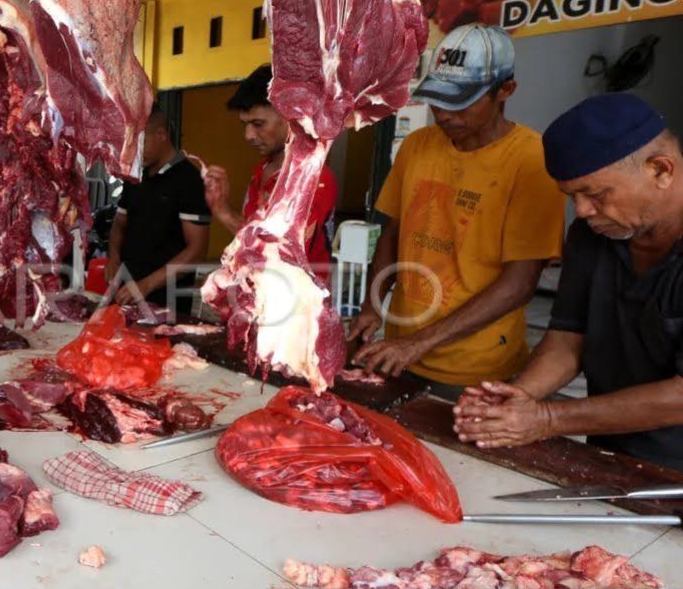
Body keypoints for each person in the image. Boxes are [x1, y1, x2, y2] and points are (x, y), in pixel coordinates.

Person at [455, 94, 683, 471]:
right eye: (571, 196)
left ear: (660, 170)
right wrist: (516, 400)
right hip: (607, 454)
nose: (581, 211)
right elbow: (567, 339)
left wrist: (546, 419)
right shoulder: (592, 236)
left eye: (595, 193)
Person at [346, 23, 564, 396]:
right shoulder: (417, 146)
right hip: (399, 351)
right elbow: (392, 234)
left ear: (505, 91)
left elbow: (520, 284)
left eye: (460, 101)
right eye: (437, 99)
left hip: (474, 367)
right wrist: (372, 305)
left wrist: (420, 342)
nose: (444, 113)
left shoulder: (532, 160)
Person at [203, 64, 339, 281]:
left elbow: (280, 252)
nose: (248, 135)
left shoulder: (314, 178)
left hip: (298, 305)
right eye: (245, 125)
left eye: (258, 124)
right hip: (259, 297)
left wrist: (224, 213)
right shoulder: (263, 169)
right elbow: (251, 234)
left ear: (290, 117)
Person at [105, 104, 211, 315]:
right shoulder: (136, 176)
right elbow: (119, 224)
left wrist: (144, 286)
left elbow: (196, 252)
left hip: (167, 301)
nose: (132, 149)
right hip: (126, 291)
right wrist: (114, 258)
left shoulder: (189, 180)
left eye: (138, 141)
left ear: (161, 134)